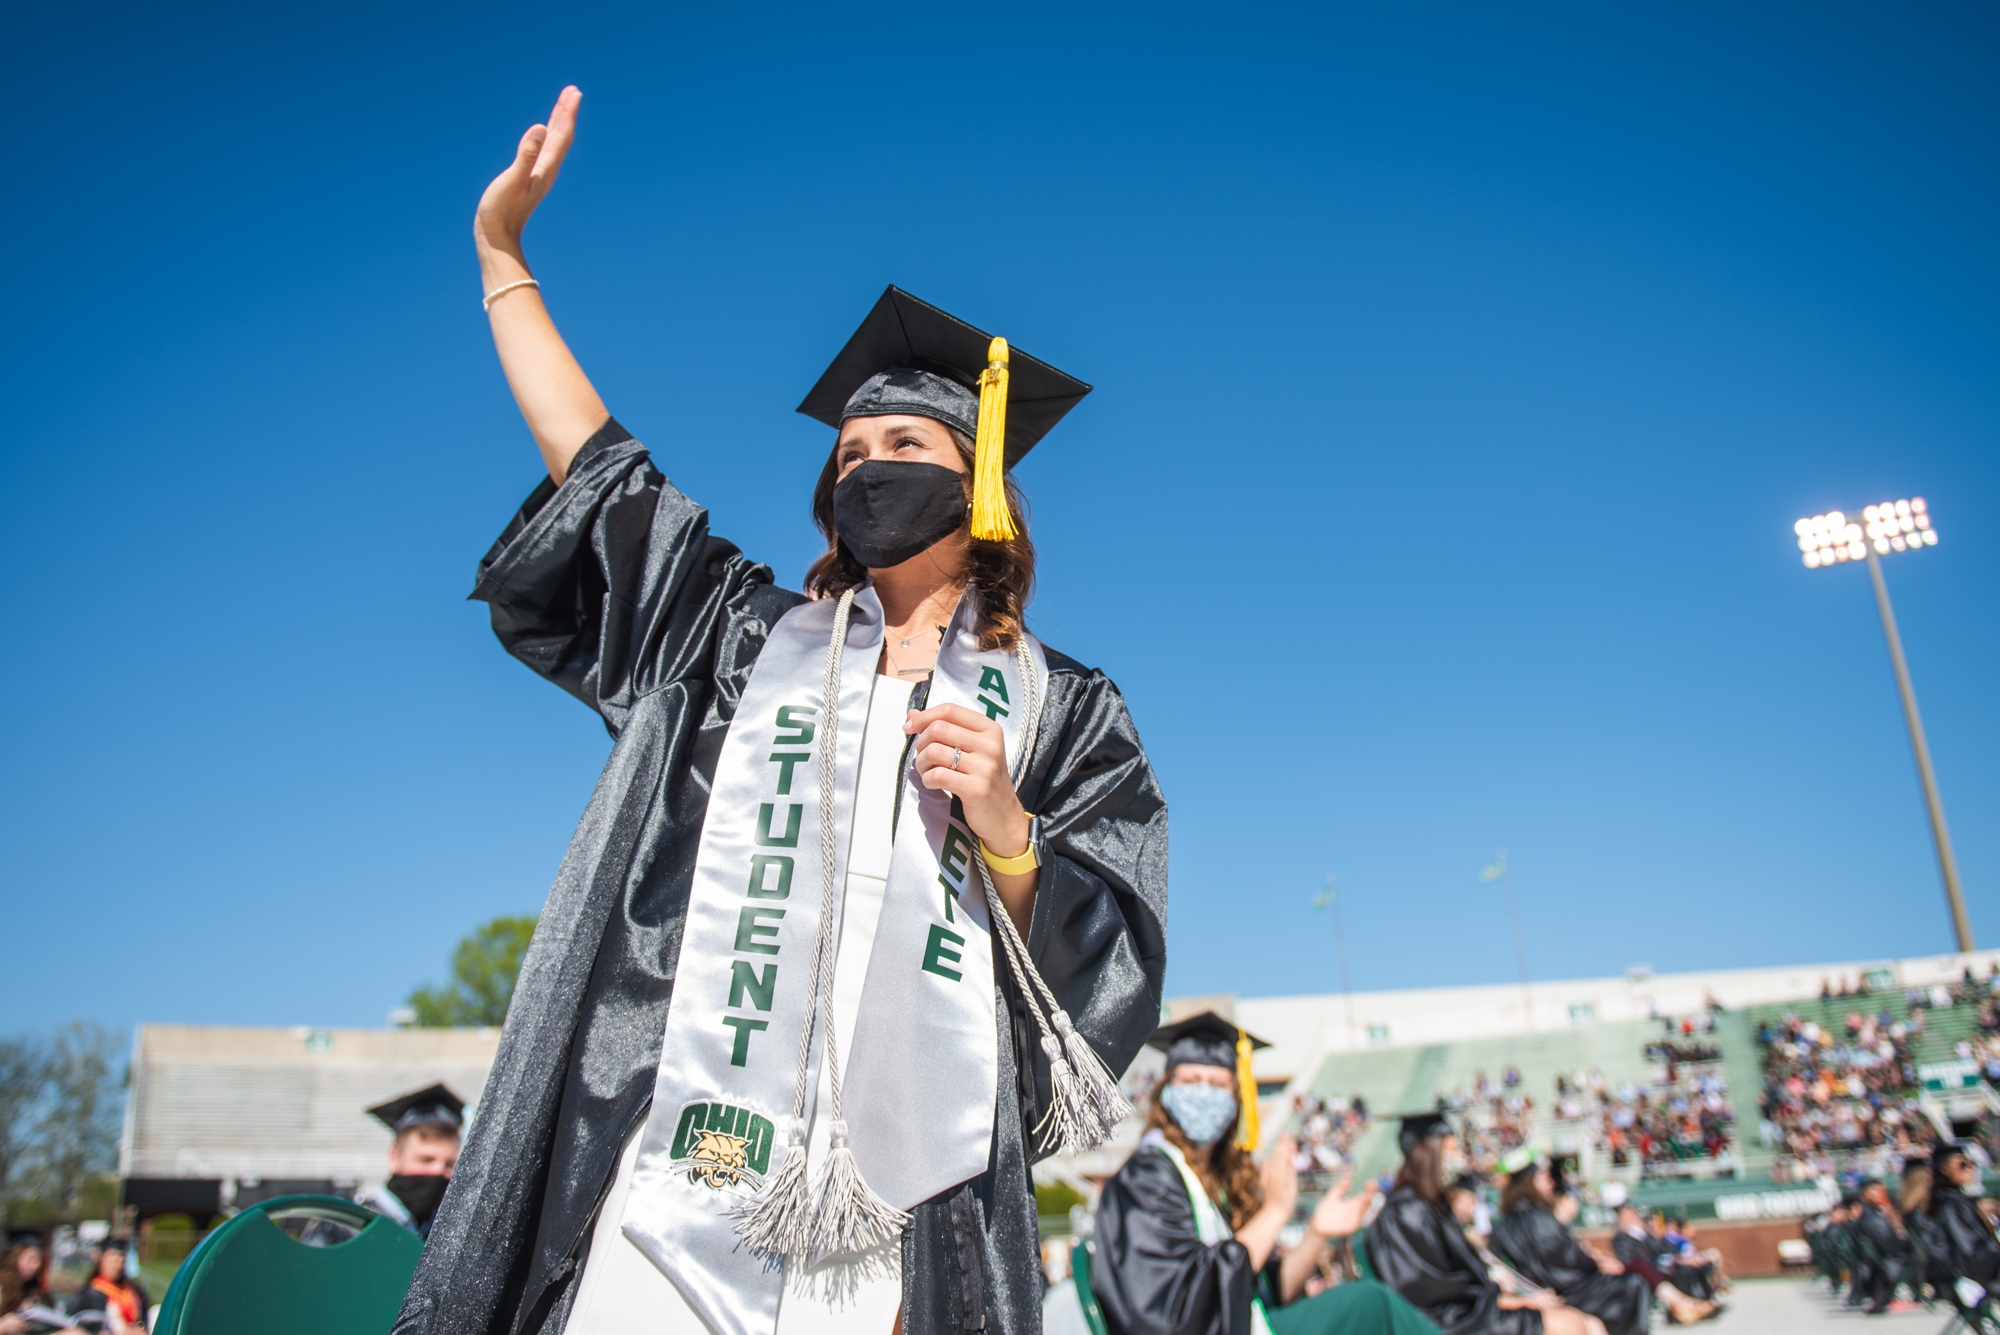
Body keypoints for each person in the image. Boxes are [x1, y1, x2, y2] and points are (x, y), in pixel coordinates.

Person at [396, 87, 1167, 1335]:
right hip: (683, 1145)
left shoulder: (1061, 706)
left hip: (901, 1184)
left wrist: (1008, 825)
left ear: (977, 485)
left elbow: (1108, 947)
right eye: (850, 458)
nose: (869, 470)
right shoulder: (741, 638)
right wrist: (502, 262)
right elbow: (599, 475)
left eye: (906, 444)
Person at [1092, 1014, 1436, 1335]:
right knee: (1371, 1304)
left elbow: (1266, 1290)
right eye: (1192, 1081)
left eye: (1218, 1084)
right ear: (1166, 1090)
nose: (1204, 1094)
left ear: (1237, 1097)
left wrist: (1316, 1232)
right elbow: (1180, 1308)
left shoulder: (1208, 1180)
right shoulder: (1146, 1177)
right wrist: (1274, 1213)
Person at [1367, 1115, 1605, 1335]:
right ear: (1430, 1151)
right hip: (1451, 1325)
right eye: (1452, 1148)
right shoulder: (1407, 1211)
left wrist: (1507, 1297)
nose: (1460, 1155)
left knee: (1590, 1324)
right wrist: (1509, 1301)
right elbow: (1433, 1295)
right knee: (1570, 1326)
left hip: (1470, 1314)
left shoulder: (1429, 1206)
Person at [1489, 1156, 1648, 1335]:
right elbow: (1566, 1259)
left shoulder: (1503, 1225)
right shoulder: (1539, 1217)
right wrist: (1596, 1264)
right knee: (1633, 1284)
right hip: (1564, 1291)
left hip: (1537, 1290)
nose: (1551, 1186)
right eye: (1545, 1180)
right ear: (1529, 1184)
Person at [361, 1085, 465, 1239]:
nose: (438, 1171)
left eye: (449, 1164)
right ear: (394, 1157)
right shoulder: (349, 1225)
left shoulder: (453, 1233)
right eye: (426, 1160)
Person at [1605, 1206, 1712, 1324]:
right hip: (1642, 1271)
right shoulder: (1622, 1238)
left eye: (1633, 1213)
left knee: (1686, 1268)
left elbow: (1659, 1250)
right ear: (1621, 1217)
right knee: (1678, 1270)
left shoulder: (1643, 1234)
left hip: (1656, 1265)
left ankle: (1692, 1304)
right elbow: (1630, 1261)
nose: (1634, 1216)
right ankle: (1683, 1307)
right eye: (1629, 1214)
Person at [1928, 1143, 2000, 1315]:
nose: (1969, 1168)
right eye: (1962, 1164)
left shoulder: (1958, 1201)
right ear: (1944, 1169)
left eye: (1971, 1163)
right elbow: (1972, 1250)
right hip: (1977, 1275)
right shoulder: (1952, 1205)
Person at [1853, 1177, 1914, 1314]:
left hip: (1885, 1262)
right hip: (1885, 1265)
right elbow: (1890, 1243)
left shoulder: (1875, 1214)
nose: (1878, 1193)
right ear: (1864, 1195)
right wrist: (1904, 1237)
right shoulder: (1870, 1218)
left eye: (1879, 1190)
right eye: (1873, 1190)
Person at [0, 1235, 82, 1335]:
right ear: (14, 1257)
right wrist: (2, 1327)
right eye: (30, 1259)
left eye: (38, 1260)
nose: (36, 1265)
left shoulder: (33, 1291)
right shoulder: (2, 1287)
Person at [65, 1242, 147, 1333]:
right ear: (102, 1259)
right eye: (112, 1261)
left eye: (121, 1260)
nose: (117, 1266)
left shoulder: (133, 1290)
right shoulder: (91, 1292)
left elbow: (144, 1316)